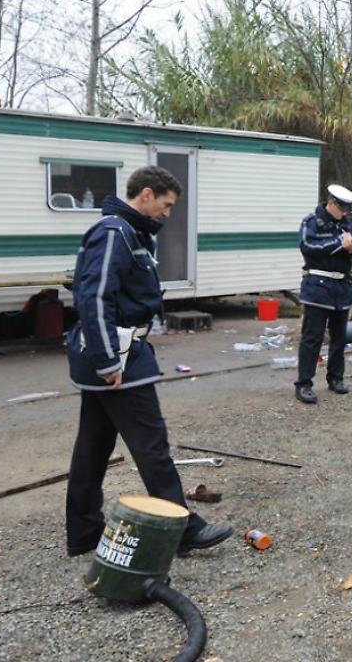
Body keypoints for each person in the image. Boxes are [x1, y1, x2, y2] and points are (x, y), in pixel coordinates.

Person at [66, 166, 233, 557]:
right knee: (151, 445)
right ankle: (182, 529)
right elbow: (94, 298)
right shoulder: (114, 234)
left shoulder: (128, 233)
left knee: (92, 447)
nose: (167, 213)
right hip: (119, 358)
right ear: (145, 195)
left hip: (115, 355)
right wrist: (109, 361)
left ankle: (84, 532)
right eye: (166, 204)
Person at [294, 184, 352, 404]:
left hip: (341, 287)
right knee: (312, 338)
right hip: (318, 287)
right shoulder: (311, 222)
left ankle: (336, 378)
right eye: (342, 208)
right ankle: (304, 383)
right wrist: (338, 244)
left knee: (339, 338)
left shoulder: (347, 225)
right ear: (331, 203)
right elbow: (306, 246)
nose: (345, 213)